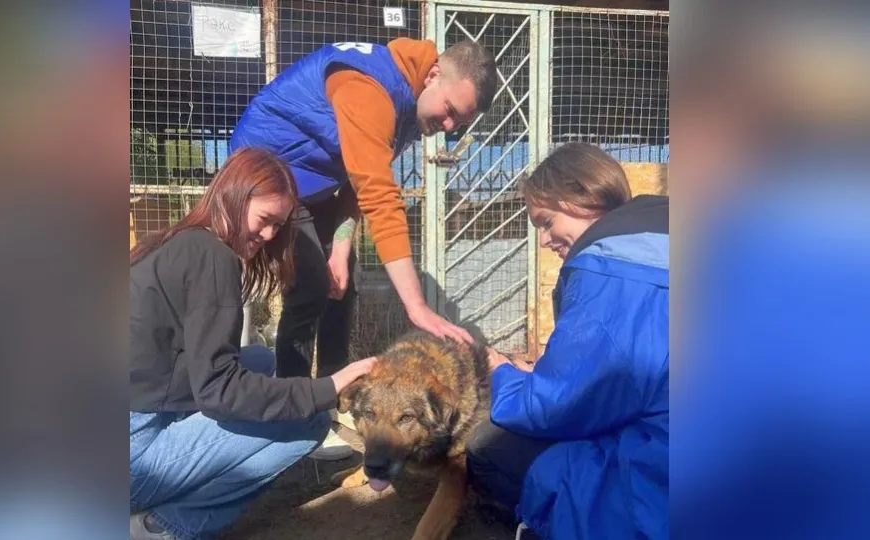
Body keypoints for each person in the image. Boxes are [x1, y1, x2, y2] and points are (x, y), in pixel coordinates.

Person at [228, 38, 498, 459]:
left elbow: (356, 182)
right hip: (266, 177)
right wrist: (416, 306)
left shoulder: (411, 103)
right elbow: (378, 194)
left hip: (314, 185)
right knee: (312, 284)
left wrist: (341, 249)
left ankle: (334, 402)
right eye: (449, 111)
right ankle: (292, 417)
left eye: (458, 124)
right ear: (432, 76)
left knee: (343, 281)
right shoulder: (369, 88)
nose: (448, 128)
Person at [129, 148, 377, 540]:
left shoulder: (178, 241)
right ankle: (165, 528)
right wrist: (327, 387)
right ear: (235, 195)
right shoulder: (213, 258)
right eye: (265, 220)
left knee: (259, 360)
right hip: (131, 462)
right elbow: (218, 392)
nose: (269, 236)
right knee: (310, 419)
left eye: (279, 226)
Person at [465, 143, 669, 539]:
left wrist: (505, 375)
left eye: (545, 221)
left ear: (581, 198)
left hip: (667, 478)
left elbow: (557, 406)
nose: (543, 240)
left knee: (487, 448)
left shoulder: (612, 273)